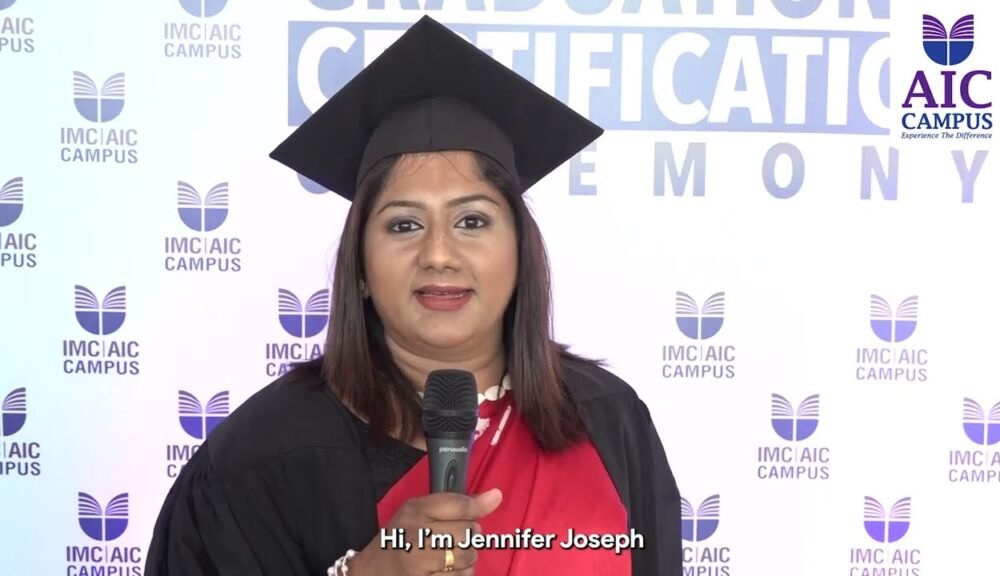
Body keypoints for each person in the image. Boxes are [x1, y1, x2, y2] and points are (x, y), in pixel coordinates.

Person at [144, 15, 681, 576]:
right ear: (359, 265)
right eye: (404, 225)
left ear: (521, 251)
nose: (439, 254)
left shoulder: (607, 420)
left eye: (472, 220)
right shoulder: (260, 459)